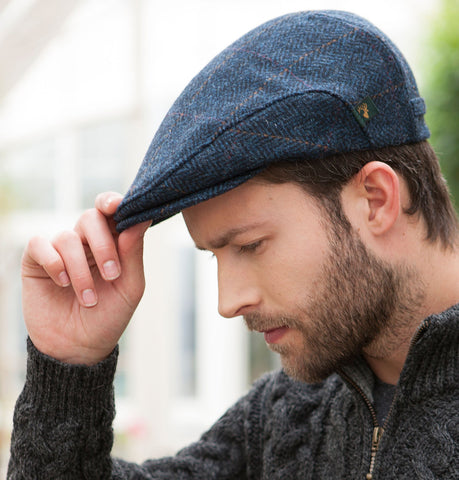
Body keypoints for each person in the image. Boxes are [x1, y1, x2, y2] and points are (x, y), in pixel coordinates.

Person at [8, 10, 458, 480]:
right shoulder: (283, 416)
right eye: (214, 256)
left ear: (376, 200)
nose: (228, 303)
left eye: (250, 245)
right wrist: (68, 362)